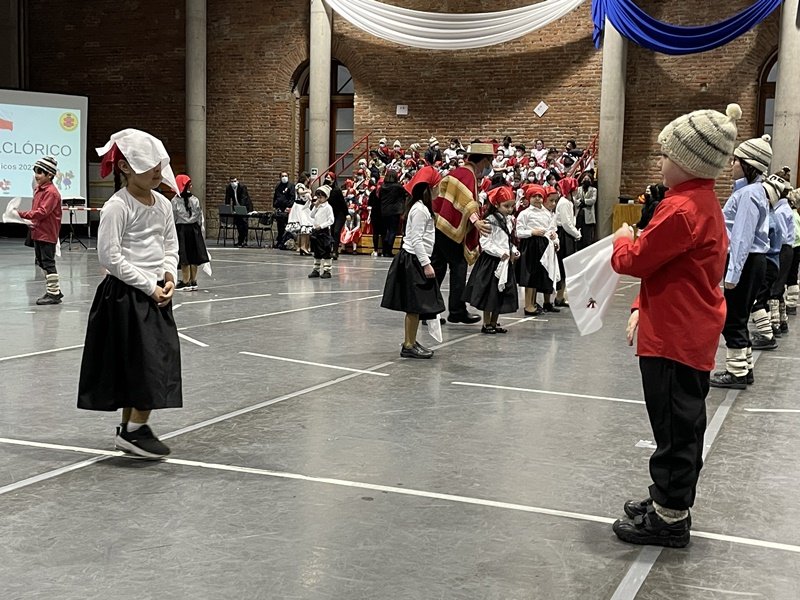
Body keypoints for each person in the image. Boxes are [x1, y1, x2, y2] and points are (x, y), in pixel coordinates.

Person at [610, 104, 740, 548]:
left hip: (674, 337)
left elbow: (638, 260)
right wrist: (640, 306)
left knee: (674, 429)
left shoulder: (682, 208)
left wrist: (623, 240)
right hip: (683, 329)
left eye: (665, 155)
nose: (660, 162)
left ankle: (669, 516)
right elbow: (668, 269)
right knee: (678, 423)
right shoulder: (700, 203)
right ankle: (667, 498)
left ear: (688, 161)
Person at [77, 128, 183, 459]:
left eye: (159, 164)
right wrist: (150, 286)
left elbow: (170, 245)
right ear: (125, 167)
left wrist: (169, 276)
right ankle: (135, 430)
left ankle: (130, 430)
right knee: (143, 364)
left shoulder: (162, 204)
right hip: (125, 295)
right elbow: (110, 257)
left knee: (147, 362)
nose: (157, 171)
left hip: (155, 292)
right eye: (149, 165)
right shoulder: (117, 206)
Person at [710, 134, 772, 389]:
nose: (732, 164)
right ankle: (745, 368)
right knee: (741, 315)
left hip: (746, 261)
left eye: (736, 160)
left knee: (733, 318)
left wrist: (733, 274)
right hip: (753, 261)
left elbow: (742, 236)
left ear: (749, 165)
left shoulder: (748, 194)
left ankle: (735, 373)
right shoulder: (752, 191)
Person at [381, 166, 445, 359]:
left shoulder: (422, 209)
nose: (440, 189)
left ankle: (411, 340)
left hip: (416, 258)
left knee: (415, 306)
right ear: (429, 188)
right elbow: (416, 239)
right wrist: (426, 264)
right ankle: (408, 345)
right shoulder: (419, 210)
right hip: (413, 260)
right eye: (438, 185)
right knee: (413, 305)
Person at [431, 141, 494, 324]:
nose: (488, 168)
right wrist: (476, 221)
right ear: (484, 161)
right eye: (489, 162)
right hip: (450, 228)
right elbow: (468, 203)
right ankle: (457, 311)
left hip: (440, 224)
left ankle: (428, 311)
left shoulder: (460, 172)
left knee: (438, 268)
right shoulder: (467, 175)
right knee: (458, 267)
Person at [463, 186, 519, 333]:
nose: (510, 209)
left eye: (512, 206)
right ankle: (486, 323)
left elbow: (509, 240)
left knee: (500, 294)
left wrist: (514, 251)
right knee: (490, 294)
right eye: (506, 206)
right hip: (491, 262)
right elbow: (485, 243)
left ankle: (494, 322)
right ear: (496, 204)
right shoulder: (489, 221)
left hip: (505, 261)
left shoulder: (509, 220)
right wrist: (500, 252)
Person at [18, 156, 63, 305]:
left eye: (39, 172)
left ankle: (54, 294)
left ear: (50, 175)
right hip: (38, 231)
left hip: (47, 233)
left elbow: (42, 212)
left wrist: (21, 214)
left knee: (48, 263)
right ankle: (54, 290)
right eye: (35, 172)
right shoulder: (39, 189)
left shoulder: (51, 192)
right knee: (42, 263)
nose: (36, 175)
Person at [515, 184, 557, 315]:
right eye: (534, 196)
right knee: (530, 276)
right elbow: (518, 232)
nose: (537, 198)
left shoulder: (547, 213)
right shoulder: (525, 213)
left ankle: (533, 303)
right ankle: (528, 305)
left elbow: (551, 229)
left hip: (543, 246)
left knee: (537, 276)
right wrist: (532, 232)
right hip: (530, 246)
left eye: (540, 196)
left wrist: (553, 237)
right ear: (529, 198)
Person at [171, 174, 209, 291]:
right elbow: (199, 217)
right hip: (194, 229)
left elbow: (173, 217)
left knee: (184, 255)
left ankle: (185, 281)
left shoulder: (174, 201)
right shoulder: (195, 200)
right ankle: (193, 281)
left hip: (181, 230)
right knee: (193, 255)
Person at [307, 184, 335, 279]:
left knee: (326, 251)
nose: (319, 199)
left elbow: (331, 220)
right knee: (317, 251)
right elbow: (311, 215)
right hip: (316, 231)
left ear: (326, 197)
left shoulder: (328, 207)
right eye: (318, 197)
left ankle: (327, 270)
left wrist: (322, 226)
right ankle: (316, 269)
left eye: (321, 197)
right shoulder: (318, 206)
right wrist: (315, 207)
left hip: (324, 232)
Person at [379, 169, 406, 257]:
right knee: (392, 231)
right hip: (394, 211)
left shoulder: (383, 187)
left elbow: (380, 197)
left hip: (384, 211)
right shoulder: (398, 187)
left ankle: (384, 250)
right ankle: (389, 250)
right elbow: (404, 196)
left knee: (387, 231)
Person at [224, 176, 253, 247]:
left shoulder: (242, 187)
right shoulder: (229, 188)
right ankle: (240, 240)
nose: (233, 183)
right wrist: (228, 208)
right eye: (231, 181)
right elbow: (227, 199)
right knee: (238, 224)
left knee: (244, 223)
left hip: (245, 206)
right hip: (236, 206)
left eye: (234, 181)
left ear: (237, 181)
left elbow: (244, 198)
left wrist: (241, 209)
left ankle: (245, 240)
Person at [287, 181, 313, 255]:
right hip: (300, 208)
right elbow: (300, 192)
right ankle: (302, 247)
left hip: (305, 208)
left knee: (306, 227)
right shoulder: (300, 185)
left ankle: (304, 246)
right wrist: (307, 191)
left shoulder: (306, 187)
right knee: (304, 226)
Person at [574, 172, 597, 248]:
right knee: (579, 234)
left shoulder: (593, 190)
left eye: (588, 178)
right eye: (585, 178)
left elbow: (593, 200)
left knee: (587, 237)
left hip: (588, 216)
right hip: (579, 214)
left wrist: (584, 201)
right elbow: (575, 200)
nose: (586, 180)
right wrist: (579, 202)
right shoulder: (578, 189)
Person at [273, 171, 295, 249]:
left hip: (287, 209)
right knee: (280, 227)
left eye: (286, 176)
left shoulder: (291, 186)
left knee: (287, 227)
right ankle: (279, 241)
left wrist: (289, 206)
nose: (284, 177)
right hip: (280, 209)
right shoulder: (278, 186)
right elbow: (276, 196)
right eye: (282, 176)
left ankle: (285, 242)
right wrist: (275, 205)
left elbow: (292, 197)